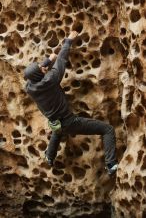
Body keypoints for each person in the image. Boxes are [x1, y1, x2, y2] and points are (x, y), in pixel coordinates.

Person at [24, 31, 118, 175]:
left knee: (58, 132)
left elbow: (32, 75)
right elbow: (61, 61)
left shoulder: (30, 88)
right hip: (70, 122)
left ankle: (49, 156)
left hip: (55, 123)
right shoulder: (50, 80)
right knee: (108, 130)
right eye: (41, 68)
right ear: (40, 74)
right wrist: (68, 40)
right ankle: (111, 164)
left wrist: (47, 61)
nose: (43, 68)